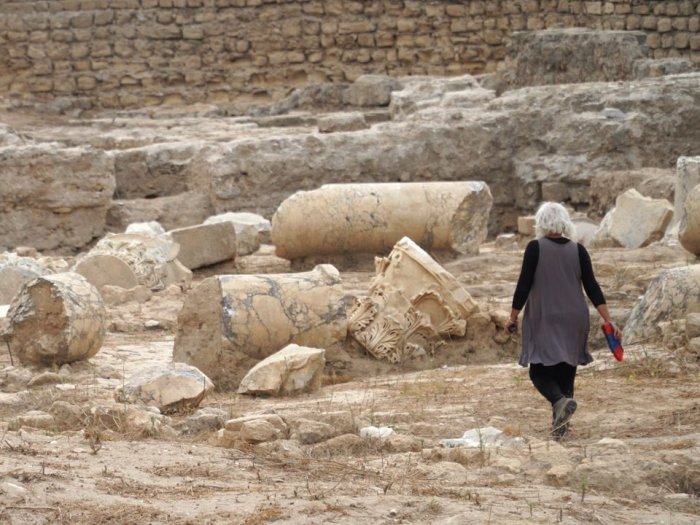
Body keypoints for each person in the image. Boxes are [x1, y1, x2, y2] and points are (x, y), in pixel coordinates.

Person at [504, 202, 621, 440]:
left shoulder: (535, 248)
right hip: (574, 317)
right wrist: (609, 320)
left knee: (538, 371)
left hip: (546, 316)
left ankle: (558, 402)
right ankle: (561, 427)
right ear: (565, 222)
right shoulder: (578, 250)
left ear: (541, 223)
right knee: (566, 370)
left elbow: (523, 285)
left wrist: (513, 316)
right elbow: (592, 287)